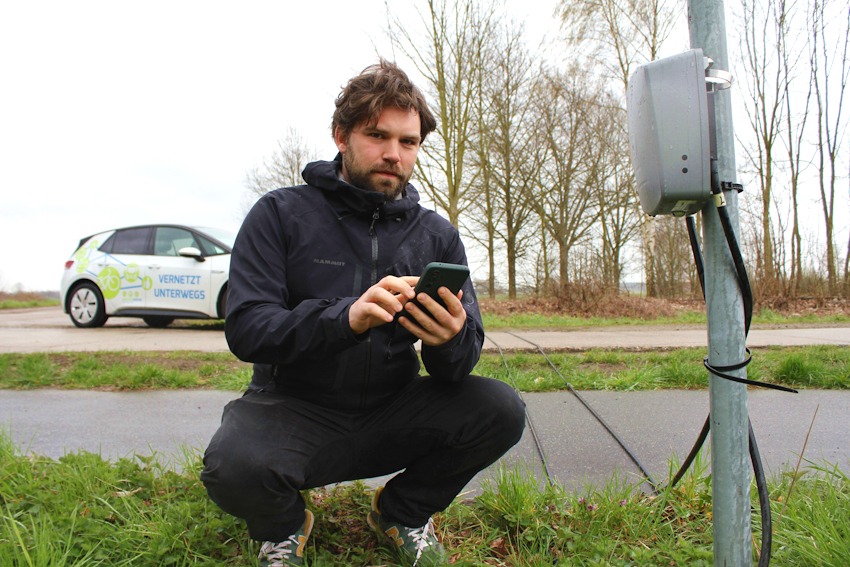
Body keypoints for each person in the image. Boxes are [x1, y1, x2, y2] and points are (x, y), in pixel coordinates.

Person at [201, 60, 526, 567]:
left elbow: (457, 369)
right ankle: (286, 526)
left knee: (500, 409)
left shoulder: (436, 234)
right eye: (377, 135)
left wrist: (449, 339)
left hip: (392, 407)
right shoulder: (280, 215)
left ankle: (401, 512)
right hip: (294, 407)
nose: (393, 154)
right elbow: (247, 327)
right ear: (341, 136)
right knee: (232, 466)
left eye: (409, 142)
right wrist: (344, 318)